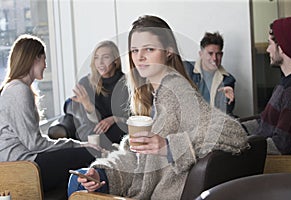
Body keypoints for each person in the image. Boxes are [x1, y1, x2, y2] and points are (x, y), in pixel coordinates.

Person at [68, 15, 249, 199]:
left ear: (168, 51)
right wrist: (102, 173)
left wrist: (169, 146)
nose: (140, 57)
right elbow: (139, 157)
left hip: (160, 193)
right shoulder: (152, 94)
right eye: (134, 50)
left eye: (149, 49)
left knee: (75, 188)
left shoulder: (176, 91)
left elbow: (234, 132)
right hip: (138, 181)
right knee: (82, 177)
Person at [0, 34, 101, 194]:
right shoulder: (19, 90)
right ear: (34, 59)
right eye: (43, 59)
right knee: (91, 153)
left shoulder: (15, 88)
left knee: (74, 170)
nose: (45, 65)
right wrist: (78, 144)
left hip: (23, 161)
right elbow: (35, 144)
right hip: (23, 166)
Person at [48, 40, 129, 150]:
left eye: (105, 57)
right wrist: (87, 105)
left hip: (116, 128)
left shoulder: (126, 83)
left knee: (117, 131)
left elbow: (133, 117)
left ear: (115, 60)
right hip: (91, 128)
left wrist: (115, 118)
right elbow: (88, 123)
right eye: (96, 58)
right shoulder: (86, 83)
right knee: (92, 132)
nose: (100, 62)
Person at [251, 17, 291, 155]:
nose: (267, 49)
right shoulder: (286, 81)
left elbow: (281, 145)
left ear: (282, 48)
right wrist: (234, 128)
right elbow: (265, 121)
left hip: (274, 167)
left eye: (270, 43)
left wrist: (243, 146)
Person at [184, 32, 236, 116]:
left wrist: (226, 100)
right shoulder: (186, 69)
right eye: (210, 53)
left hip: (212, 123)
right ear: (201, 54)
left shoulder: (228, 80)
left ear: (222, 55)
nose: (214, 58)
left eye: (218, 54)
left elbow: (226, 113)